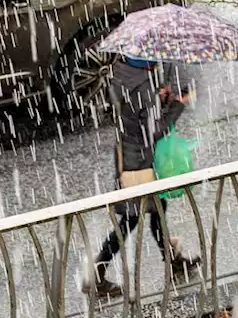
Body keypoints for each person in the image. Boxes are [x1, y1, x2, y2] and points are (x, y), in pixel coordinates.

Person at [84, 56, 202, 298]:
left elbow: (135, 115)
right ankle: (96, 275)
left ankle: (173, 261)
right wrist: (177, 104)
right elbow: (155, 130)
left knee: (157, 208)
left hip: (127, 155)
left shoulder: (122, 74)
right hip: (137, 163)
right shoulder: (143, 87)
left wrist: (159, 98)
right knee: (131, 219)